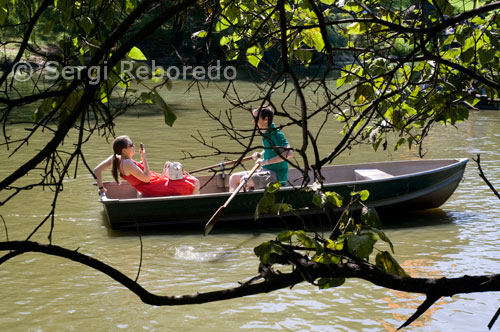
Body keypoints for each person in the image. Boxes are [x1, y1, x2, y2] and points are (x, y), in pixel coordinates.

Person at [94, 135, 200, 197]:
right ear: (124, 150)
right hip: (153, 186)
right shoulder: (127, 163)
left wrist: (101, 188)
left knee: (171, 167)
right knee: (195, 182)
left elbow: (97, 170)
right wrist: (144, 158)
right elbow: (146, 178)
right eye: (131, 145)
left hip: (154, 182)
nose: (134, 146)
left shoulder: (117, 159)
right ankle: (196, 206)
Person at [229, 106, 292, 192]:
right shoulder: (266, 133)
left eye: (256, 118)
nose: (253, 121)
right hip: (265, 171)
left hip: (277, 176)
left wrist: (264, 162)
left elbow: (289, 153)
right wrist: (260, 154)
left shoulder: (276, 134)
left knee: (244, 180)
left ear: (266, 119)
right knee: (233, 178)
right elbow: (271, 149)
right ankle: (234, 204)